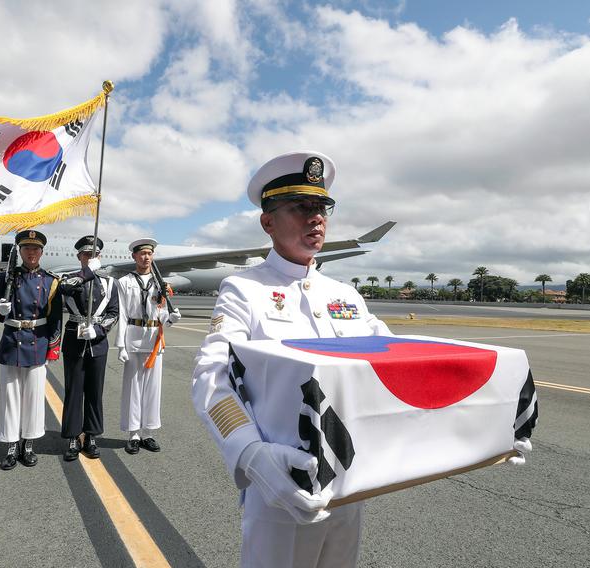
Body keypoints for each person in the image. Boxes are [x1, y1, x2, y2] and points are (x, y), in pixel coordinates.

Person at [191, 152, 392, 567]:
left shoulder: (345, 296)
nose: (315, 218)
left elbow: (395, 362)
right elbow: (211, 378)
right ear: (268, 222)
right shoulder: (243, 290)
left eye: (321, 208)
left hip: (351, 484)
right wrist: (251, 454)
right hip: (280, 482)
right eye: (301, 208)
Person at [0, 230, 62, 470]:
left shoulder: (51, 281)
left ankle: (28, 443)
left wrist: (53, 347)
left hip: (37, 341)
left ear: (42, 252)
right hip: (12, 340)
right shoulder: (6, 278)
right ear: (20, 252)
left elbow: (55, 318)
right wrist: (1, 310)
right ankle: (11, 445)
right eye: (26, 248)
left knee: (33, 397)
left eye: (35, 249)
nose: (31, 253)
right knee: (10, 397)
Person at [115, 238, 181, 454]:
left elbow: (160, 312)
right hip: (133, 337)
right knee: (133, 388)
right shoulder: (124, 282)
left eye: (149, 254)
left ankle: (148, 433)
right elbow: (122, 315)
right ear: (134, 256)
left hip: (153, 339)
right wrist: (121, 346)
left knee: (153, 388)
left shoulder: (159, 284)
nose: (146, 257)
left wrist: (170, 319)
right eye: (141, 254)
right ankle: (133, 433)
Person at [58, 235, 119, 461]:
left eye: (95, 255)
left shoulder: (110, 283)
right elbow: (65, 288)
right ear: (79, 257)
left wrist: (99, 330)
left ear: (100, 257)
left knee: (95, 391)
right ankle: (73, 436)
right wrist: (87, 273)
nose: (90, 257)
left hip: (98, 343)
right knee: (74, 391)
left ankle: (92, 435)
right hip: (75, 340)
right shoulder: (71, 278)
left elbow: (114, 313)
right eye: (86, 254)